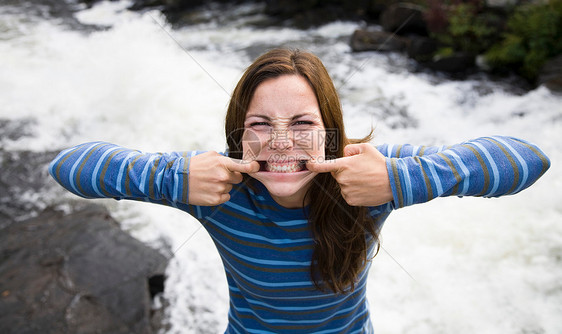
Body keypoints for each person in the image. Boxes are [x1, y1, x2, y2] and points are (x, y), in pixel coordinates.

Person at [49, 48, 550, 333]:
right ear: (237, 136)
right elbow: (70, 165)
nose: (282, 140)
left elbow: (527, 159)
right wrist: (174, 177)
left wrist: (401, 179)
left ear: (331, 130)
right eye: (260, 124)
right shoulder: (217, 186)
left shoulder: (367, 175)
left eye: (303, 122)